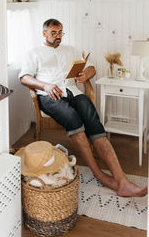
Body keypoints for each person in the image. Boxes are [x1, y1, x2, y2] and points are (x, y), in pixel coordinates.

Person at [19, 18, 147, 197]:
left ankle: (122, 179)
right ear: (44, 33)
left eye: (60, 32)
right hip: (49, 96)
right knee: (73, 119)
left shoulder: (71, 50)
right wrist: (45, 85)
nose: (58, 36)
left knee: (95, 125)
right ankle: (100, 175)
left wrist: (85, 74)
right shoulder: (34, 52)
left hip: (73, 92)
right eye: (54, 33)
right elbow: (24, 77)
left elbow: (91, 68)